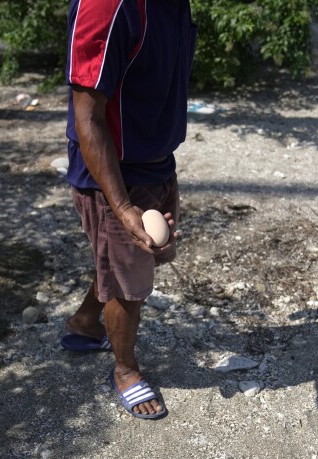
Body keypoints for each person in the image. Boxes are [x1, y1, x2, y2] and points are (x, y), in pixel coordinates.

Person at [60, 0, 197, 419]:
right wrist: (121, 206)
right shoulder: (108, 5)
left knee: (121, 264)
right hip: (115, 176)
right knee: (128, 285)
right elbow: (89, 117)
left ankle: (84, 324)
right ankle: (125, 370)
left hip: (157, 162)